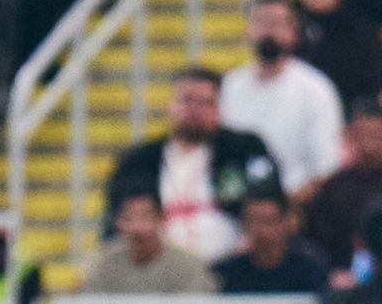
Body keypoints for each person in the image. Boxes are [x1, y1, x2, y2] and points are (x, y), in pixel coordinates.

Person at [105, 69, 279, 263]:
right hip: (161, 272)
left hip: (233, 269)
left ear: (219, 109)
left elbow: (271, 201)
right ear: (170, 105)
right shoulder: (139, 161)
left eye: (205, 103)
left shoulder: (245, 150)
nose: (195, 110)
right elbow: (116, 219)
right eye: (187, 100)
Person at [220, 0, 346, 204]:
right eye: (260, 22)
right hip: (238, 205)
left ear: (293, 32)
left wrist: (281, 210)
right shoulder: (230, 86)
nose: (268, 31)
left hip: (296, 206)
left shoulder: (316, 89)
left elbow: (326, 169)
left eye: (276, 23)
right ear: (247, 30)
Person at [78, 187, 215, 304]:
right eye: (129, 218)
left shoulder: (188, 265)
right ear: (118, 222)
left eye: (145, 217)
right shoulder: (101, 263)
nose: (137, 228)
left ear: (162, 219)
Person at [303, 108, 382, 276]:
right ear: (351, 136)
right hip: (342, 278)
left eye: (376, 134)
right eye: (363, 134)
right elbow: (317, 238)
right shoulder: (334, 188)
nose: (369, 142)